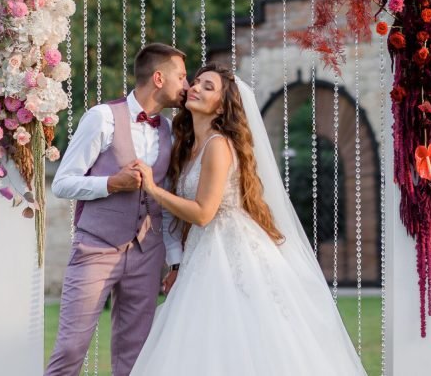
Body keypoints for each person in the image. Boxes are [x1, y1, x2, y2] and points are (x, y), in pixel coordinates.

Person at [130, 63, 367, 375]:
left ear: (221, 106)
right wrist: (178, 265)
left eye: (208, 87)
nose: (196, 88)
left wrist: (152, 189)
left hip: (232, 250)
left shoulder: (218, 146)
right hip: (202, 253)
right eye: (197, 82)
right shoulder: (188, 147)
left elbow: (203, 213)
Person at [45, 43, 190, 376]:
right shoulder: (102, 118)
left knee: (134, 355)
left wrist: (175, 260)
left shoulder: (168, 129)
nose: (186, 85)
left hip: (147, 253)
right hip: (96, 247)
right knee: (70, 348)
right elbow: (63, 183)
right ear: (158, 77)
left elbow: (163, 202)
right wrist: (111, 184)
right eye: (181, 77)